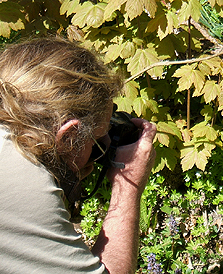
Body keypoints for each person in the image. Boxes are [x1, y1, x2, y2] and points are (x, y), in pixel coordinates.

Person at [0, 37, 157, 273]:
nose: (100, 148)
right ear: (69, 135)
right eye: (98, 137)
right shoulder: (23, 180)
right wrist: (130, 184)